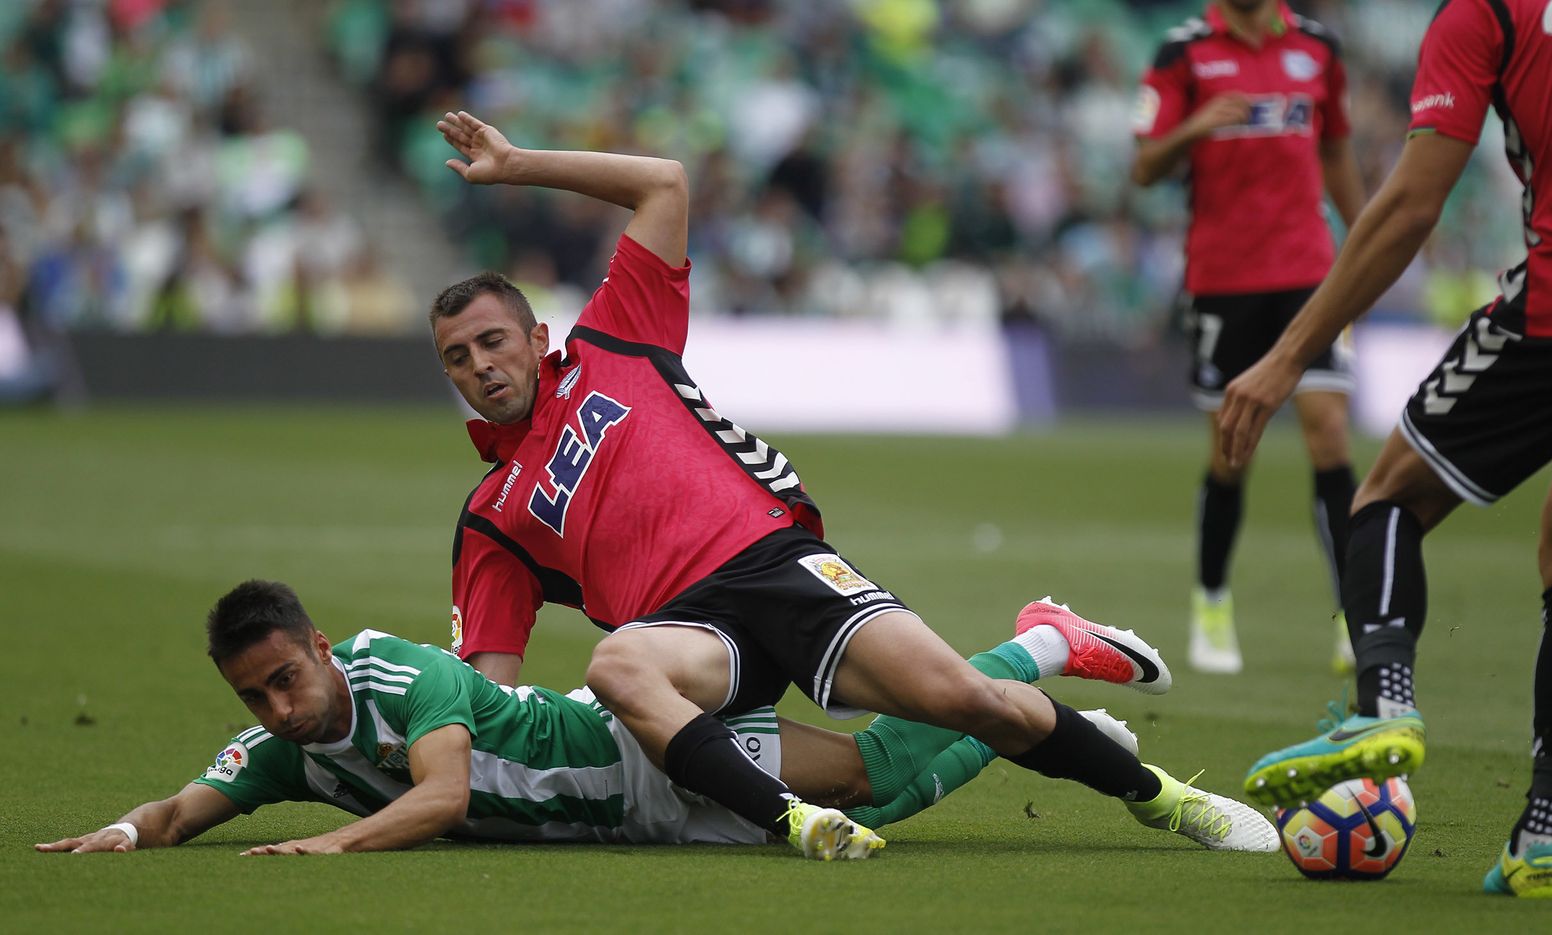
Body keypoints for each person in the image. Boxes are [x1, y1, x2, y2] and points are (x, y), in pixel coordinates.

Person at [429, 109, 1272, 859]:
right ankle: (796, 824)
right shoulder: (492, 517)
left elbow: (664, 183)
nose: (482, 366)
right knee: (620, 662)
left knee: (972, 703)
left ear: (537, 333)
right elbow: (494, 698)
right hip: (686, 641)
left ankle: (1166, 799)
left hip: (773, 563)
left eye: (494, 341)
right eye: (459, 358)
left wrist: (517, 166)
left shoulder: (615, 337)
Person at [1218, 0, 1552, 900]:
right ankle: (1541, 836)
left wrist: (1288, 355)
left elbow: (1411, 202)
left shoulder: (1485, 14)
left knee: (1387, 495)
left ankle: (1382, 706)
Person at [36, 580, 1275, 856]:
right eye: (254, 696)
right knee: (891, 793)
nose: (274, 707)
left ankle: (1041, 644)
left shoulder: (393, 673)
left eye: (283, 679)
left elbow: (446, 794)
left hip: (632, 739)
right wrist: (129, 833)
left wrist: (330, 842)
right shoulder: (279, 743)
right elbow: (184, 803)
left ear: (316, 647)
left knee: (873, 772)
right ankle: (1041, 641)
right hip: (633, 821)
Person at [1131, 0, 1366, 674]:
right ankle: (1211, 600)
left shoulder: (1319, 48)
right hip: (1224, 278)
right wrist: (1196, 127)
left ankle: (1353, 615)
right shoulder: (1182, 52)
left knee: (1329, 435)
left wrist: (1371, 236)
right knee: (1233, 450)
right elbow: (1144, 167)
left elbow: (1337, 149)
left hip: (1311, 274)